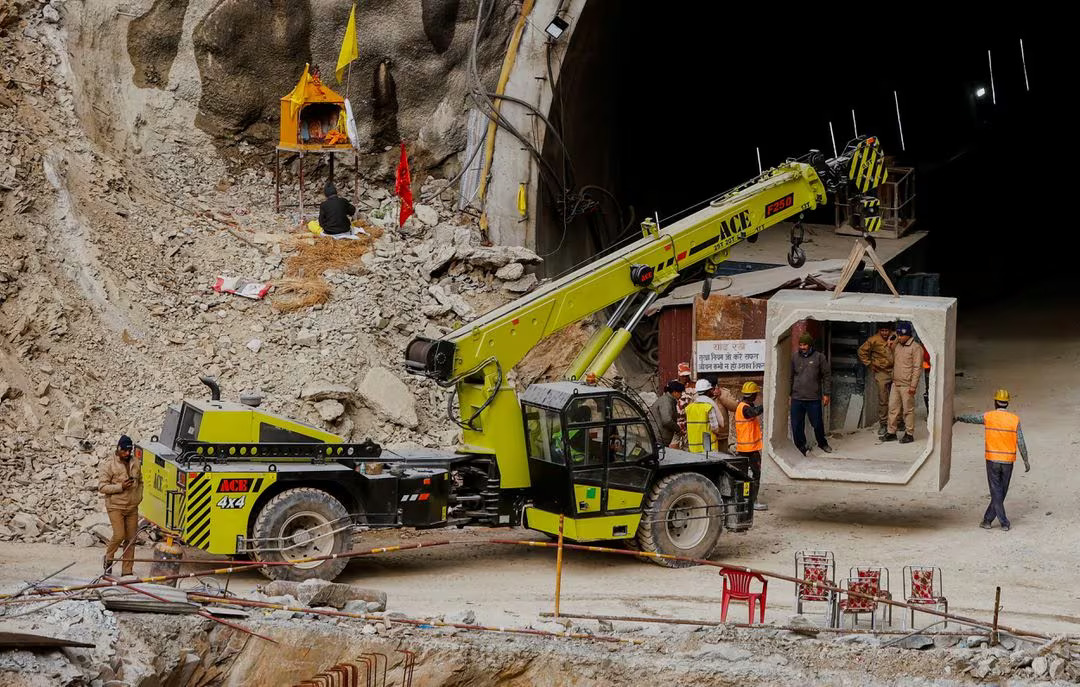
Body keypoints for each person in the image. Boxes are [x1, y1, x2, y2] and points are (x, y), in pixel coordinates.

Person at [954, 389, 1030, 531]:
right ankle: (988, 520)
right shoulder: (1014, 419)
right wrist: (1026, 460)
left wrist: (959, 418)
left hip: (992, 459)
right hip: (1008, 461)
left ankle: (1001, 522)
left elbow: (972, 418)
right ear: (1007, 403)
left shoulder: (989, 416)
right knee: (1001, 491)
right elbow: (1021, 441)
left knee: (996, 491)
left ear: (995, 402)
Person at [99, 435, 143, 577]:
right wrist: (120, 487)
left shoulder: (135, 462)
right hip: (115, 506)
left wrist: (139, 496)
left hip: (132, 507)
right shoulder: (109, 465)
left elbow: (140, 481)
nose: (127, 454)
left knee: (131, 539)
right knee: (119, 535)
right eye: (124, 451)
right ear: (118, 449)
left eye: (129, 451)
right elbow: (102, 487)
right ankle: (109, 559)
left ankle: (127, 571)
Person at [790, 332, 833, 455]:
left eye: (805, 345)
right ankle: (801, 447)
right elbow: (790, 377)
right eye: (801, 345)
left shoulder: (819, 357)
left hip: (813, 398)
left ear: (810, 345)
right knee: (796, 425)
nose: (802, 347)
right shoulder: (794, 357)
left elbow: (827, 376)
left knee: (817, 423)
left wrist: (826, 393)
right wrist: (789, 394)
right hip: (797, 397)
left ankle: (822, 443)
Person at [882, 322, 924, 444]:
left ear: (908, 335)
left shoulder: (916, 348)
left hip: (907, 385)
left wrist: (913, 386)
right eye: (898, 335)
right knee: (892, 409)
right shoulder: (897, 345)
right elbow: (891, 360)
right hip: (896, 383)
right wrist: (890, 343)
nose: (899, 337)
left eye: (901, 335)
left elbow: (917, 368)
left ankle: (909, 433)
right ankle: (891, 432)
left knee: (908, 410)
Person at [857, 322, 896, 436]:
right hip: (881, 372)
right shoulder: (873, 340)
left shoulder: (895, 336)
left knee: (897, 398)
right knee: (883, 399)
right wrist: (869, 364)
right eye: (882, 330)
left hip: (894, 370)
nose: (885, 333)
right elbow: (861, 352)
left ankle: (898, 421)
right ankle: (883, 424)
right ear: (879, 330)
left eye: (886, 330)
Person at [734, 381, 767, 511]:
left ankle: (744, 500)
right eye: (755, 394)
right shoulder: (744, 408)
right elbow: (753, 412)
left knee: (744, 476)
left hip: (744, 448)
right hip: (749, 450)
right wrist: (766, 405)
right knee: (755, 475)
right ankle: (752, 501)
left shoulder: (744, 405)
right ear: (752, 395)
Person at [686, 379, 722, 454]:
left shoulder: (689, 408)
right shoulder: (708, 407)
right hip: (708, 448)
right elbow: (715, 428)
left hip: (693, 447)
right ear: (708, 391)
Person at [649, 380, 685, 447]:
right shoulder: (666, 402)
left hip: (660, 436)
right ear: (674, 392)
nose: (681, 395)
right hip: (659, 437)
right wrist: (678, 429)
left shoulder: (668, 400)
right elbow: (667, 421)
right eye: (680, 393)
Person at [673, 362, 695, 449]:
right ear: (679, 374)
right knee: (674, 445)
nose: (685, 378)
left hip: (689, 420)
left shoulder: (694, 386)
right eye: (683, 376)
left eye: (687, 375)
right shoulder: (672, 385)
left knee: (688, 446)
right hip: (677, 421)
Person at [922, 347, 932, 413]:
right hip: (928, 370)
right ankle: (929, 412)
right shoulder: (924, 347)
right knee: (928, 391)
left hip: (929, 370)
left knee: (929, 391)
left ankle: (930, 412)